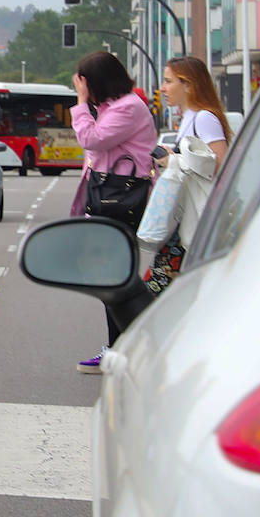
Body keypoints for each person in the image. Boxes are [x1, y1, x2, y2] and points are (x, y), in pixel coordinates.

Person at [69, 51, 157, 375]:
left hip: (121, 198)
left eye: (82, 82)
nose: (80, 88)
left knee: (115, 275)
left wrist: (80, 103)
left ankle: (124, 348)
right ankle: (121, 347)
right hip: (109, 197)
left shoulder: (129, 108)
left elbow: (91, 139)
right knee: (112, 274)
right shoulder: (112, 107)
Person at [144, 57, 233, 297]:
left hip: (197, 218)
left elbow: (221, 164)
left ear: (189, 85)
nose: (162, 88)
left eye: (168, 81)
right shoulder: (190, 118)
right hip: (186, 218)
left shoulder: (204, 117)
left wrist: (173, 160)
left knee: (154, 295)